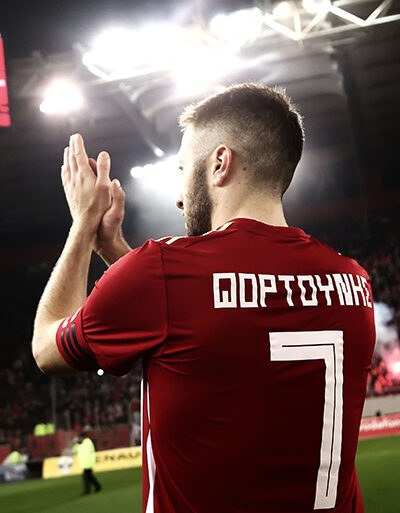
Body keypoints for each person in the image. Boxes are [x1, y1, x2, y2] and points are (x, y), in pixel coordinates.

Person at [32, 83, 375, 513]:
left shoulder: (160, 271)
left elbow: (46, 348)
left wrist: (83, 226)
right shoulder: (354, 281)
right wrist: (114, 250)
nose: (179, 197)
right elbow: (204, 313)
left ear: (219, 163)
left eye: (183, 169)